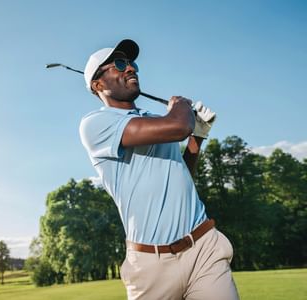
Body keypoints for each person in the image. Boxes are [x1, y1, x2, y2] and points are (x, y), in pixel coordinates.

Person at [79, 39, 239, 300]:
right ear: (98, 85)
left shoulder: (156, 121)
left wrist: (197, 137)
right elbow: (178, 127)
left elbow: (181, 174)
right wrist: (182, 105)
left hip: (203, 248)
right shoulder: (96, 124)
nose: (130, 68)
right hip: (151, 264)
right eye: (119, 64)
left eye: (132, 63)